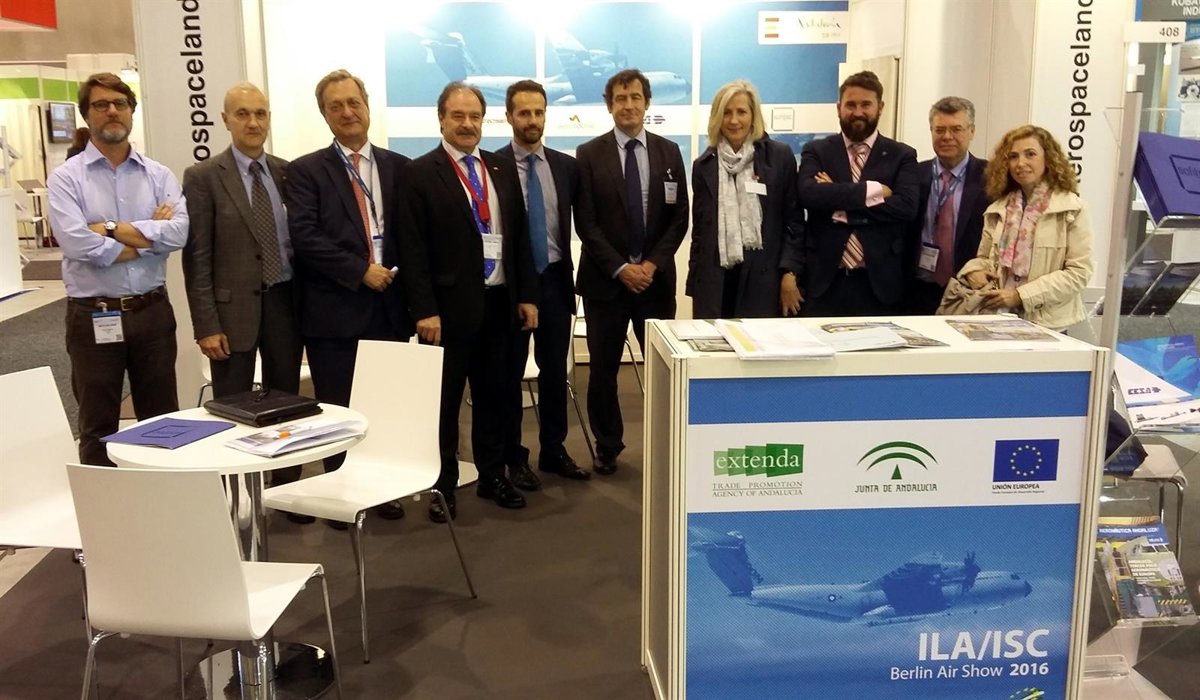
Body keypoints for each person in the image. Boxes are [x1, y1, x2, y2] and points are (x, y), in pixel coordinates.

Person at [400, 82, 538, 522]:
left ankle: (492, 476)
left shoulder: (500, 168)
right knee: (444, 404)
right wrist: (424, 309)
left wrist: (527, 296)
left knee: (495, 396)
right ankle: (442, 485)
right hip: (446, 312)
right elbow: (412, 248)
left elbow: (518, 238)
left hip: (500, 304)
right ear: (441, 119)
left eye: (474, 116)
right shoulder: (420, 173)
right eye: (457, 116)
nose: (467, 124)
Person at [46, 72, 189, 466]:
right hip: (94, 315)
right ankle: (103, 502)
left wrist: (108, 229)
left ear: (131, 112)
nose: (112, 111)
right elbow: (77, 243)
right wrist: (148, 241)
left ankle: (161, 497)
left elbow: (178, 233)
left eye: (120, 104)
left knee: (163, 420)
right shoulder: (65, 179)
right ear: (86, 115)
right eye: (101, 104)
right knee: (98, 424)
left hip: (152, 312)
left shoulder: (158, 175)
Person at [287, 69, 410, 525]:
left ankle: (381, 490)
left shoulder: (400, 167)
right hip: (335, 311)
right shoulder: (305, 171)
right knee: (337, 409)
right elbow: (305, 236)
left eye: (353, 102)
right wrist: (360, 271)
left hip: (390, 308)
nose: (347, 112)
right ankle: (341, 495)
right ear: (324, 114)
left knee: (385, 406)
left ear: (367, 106)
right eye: (335, 106)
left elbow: (412, 236)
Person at [181, 82, 306, 498]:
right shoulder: (203, 177)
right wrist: (206, 325)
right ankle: (239, 495)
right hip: (230, 315)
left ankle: (287, 488)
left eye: (260, 113)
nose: (253, 122)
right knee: (233, 408)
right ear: (225, 120)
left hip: (284, 303)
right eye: (243, 114)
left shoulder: (287, 172)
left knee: (287, 403)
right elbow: (197, 257)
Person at [574, 68, 688, 475]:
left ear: (647, 102)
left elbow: (679, 218)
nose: (628, 105)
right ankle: (608, 445)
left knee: (663, 368)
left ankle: (669, 440)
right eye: (620, 98)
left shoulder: (669, 152)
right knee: (603, 370)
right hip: (606, 283)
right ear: (609, 106)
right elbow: (586, 223)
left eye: (635, 97)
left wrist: (651, 265)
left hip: (654, 282)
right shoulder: (589, 154)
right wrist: (622, 268)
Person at [496, 80, 591, 488]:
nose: (531, 120)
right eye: (523, 113)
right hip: (512, 286)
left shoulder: (566, 167)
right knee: (510, 376)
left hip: (554, 279)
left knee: (554, 373)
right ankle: (513, 457)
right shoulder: (493, 166)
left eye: (538, 112)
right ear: (509, 116)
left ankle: (554, 449)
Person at [796, 70, 919, 317]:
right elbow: (809, 194)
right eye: (850, 105)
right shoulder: (817, 151)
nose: (858, 112)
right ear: (838, 108)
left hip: (879, 286)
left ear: (880, 107)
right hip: (825, 283)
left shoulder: (902, 155)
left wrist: (839, 202)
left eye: (866, 104)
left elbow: (906, 207)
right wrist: (873, 191)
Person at [958, 125, 1094, 330]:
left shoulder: (1072, 209)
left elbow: (1079, 273)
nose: (1020, 163)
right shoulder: (998, 209)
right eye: (1013, 157)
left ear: (1048, 158)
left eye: (1030, 154)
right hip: (997, 318)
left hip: (1047, 324)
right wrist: (973, 270)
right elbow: (985, 258)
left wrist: (1020, 296)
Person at [687, 79, 804, 319]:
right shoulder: (703, 166)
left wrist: (790, 274)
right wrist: (695, 286)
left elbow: (794, 223)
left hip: (765, 281)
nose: (734, 120)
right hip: (715, 283)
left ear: (753, 116)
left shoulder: (779, 157)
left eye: (741, 112)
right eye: (726, 112)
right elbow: (699, 232)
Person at [907, 96, 990, 314]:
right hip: (916, 290)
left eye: (956, 129)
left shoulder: (991, 177)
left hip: (967, 292)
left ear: (972, 131)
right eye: (940, 130)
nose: (947, 137)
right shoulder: (913, 175)